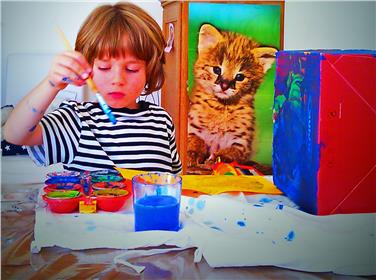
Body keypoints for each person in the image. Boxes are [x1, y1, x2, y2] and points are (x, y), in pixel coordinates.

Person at [3, 2, 182, 174]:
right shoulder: (76, 120)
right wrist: (51, 84)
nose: (117, 79)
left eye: (131, 69)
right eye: (104, 68)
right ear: (88, 67)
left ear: (150, 71)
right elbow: (14, 135)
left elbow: (175, 181)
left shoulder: (162, 121)